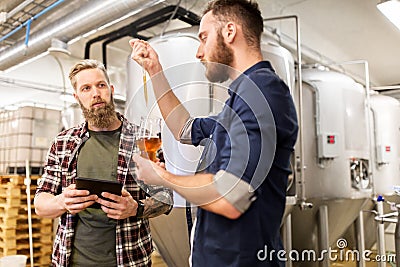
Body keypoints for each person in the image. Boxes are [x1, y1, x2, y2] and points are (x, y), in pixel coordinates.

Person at [129, 0, 298, 266]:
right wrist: (154, 70)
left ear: (230, 32)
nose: (199, 52)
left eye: (204, 37)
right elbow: (184, 129)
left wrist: (161, 176)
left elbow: (230, 197)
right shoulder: (239, 100)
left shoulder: (263, 93)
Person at [34, 59, 173, 267]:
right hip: (70, 260)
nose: (95, 93)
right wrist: (62, 201)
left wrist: (135, 208)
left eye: (101, 85)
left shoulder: (143, 140)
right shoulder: (63, 143)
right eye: (86, 88)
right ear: (77, 97)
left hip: (130, 260)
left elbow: (166, 197)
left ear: (111, 89)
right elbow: (40, 204)